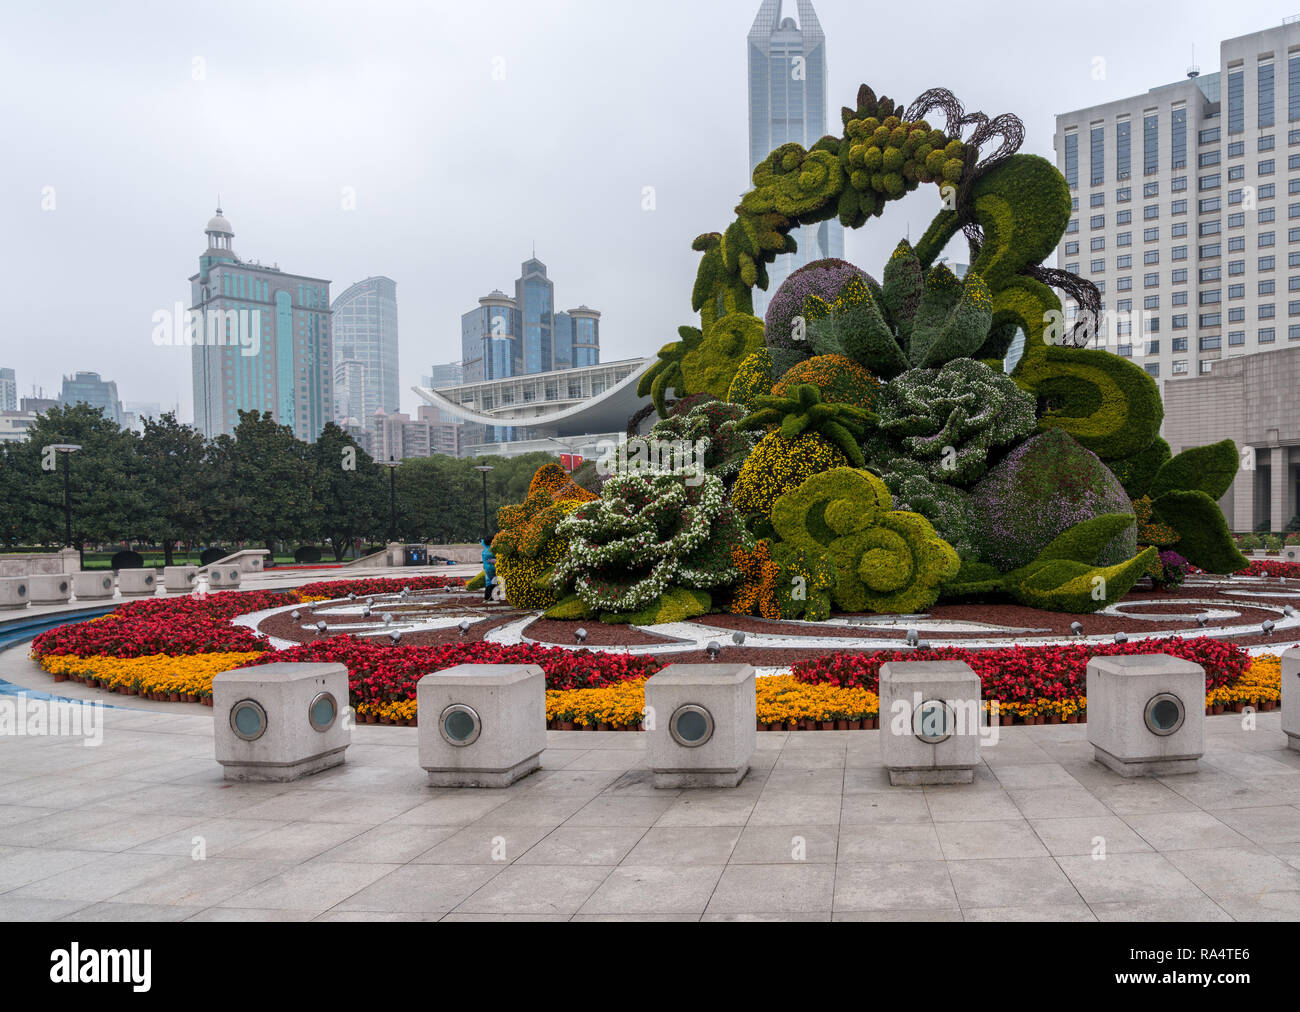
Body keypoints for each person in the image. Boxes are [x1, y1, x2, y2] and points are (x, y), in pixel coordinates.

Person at [480, 538, 497, 603]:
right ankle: (490, 599)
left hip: (487, 568)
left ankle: (487, 598)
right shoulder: (490, 551)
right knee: (492, 583)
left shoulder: (486, 550)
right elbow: (494, 559)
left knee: (488, 583)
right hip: (491, 568)